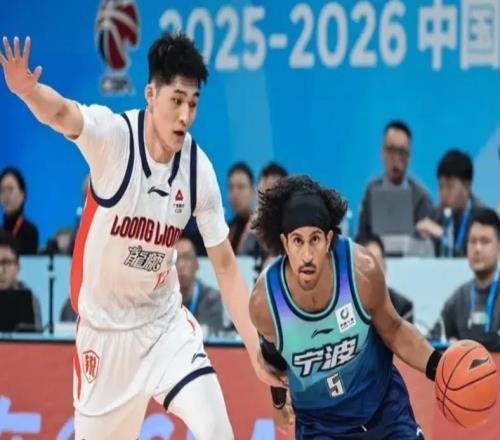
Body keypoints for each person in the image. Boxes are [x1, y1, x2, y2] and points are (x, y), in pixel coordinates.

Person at [0, 33, 281, 439]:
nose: (185, 115)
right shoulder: (114, 139)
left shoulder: (197, 170)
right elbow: (62, 113)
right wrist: (28, 92)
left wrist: (254, 349)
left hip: (164, 326)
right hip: (104, 336)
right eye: (176, 100)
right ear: (151, 94)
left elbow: (224, 265)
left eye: (193, 103)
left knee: (218, 431)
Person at [250, 175, 441, 439]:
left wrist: (439, 367)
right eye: (297, 241)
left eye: (315, 239)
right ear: (285, 243)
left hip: (383, 409)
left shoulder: (360, 271)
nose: (307, 255)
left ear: (329, 239)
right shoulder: (265, 303)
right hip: (320, 425)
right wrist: (279, 402)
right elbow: (274, 359)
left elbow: (394, 330)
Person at [429, 209, 500, 349]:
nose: (477, 248)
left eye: (485, 241)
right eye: (472, 241)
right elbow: (433, 340)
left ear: (499, 248)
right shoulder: (458, 298)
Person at [357, 121, 434, 240]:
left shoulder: (421, 197)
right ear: (382, 153)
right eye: (391, 150)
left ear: (409, 157)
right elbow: (361, 238)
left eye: (402, 152)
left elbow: (428, 244)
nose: (396, 158)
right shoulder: (371, 190)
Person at [417, 149, 484, 257]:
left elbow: (476, 258)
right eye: (441, 186)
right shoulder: (435, 215)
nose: (443, 193)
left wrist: (443, 237)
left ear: (467, 186)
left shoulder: (483, 219)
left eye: (449, 186)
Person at [357, 234, 414, 323]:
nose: (375, 268)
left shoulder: (402, 308)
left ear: (385, 267)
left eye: (378, 260)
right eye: (368, 262)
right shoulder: (341, 305)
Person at [176, 236, 225, 338]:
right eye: (176, 259)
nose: (180, 264)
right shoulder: (165, 299)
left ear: (197, 264)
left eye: (186, 257)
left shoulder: (212, 299)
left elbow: (212, 336)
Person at [0, 229, 41, 331]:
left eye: (6, 262)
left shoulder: (30, 299)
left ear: (18, 266)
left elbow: (37, 338)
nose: (1, 271)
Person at [0, 166, 39, 254]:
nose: (6, 196)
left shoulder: (30, 232)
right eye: (2, 190)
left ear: (22, 195)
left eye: (10, 190)